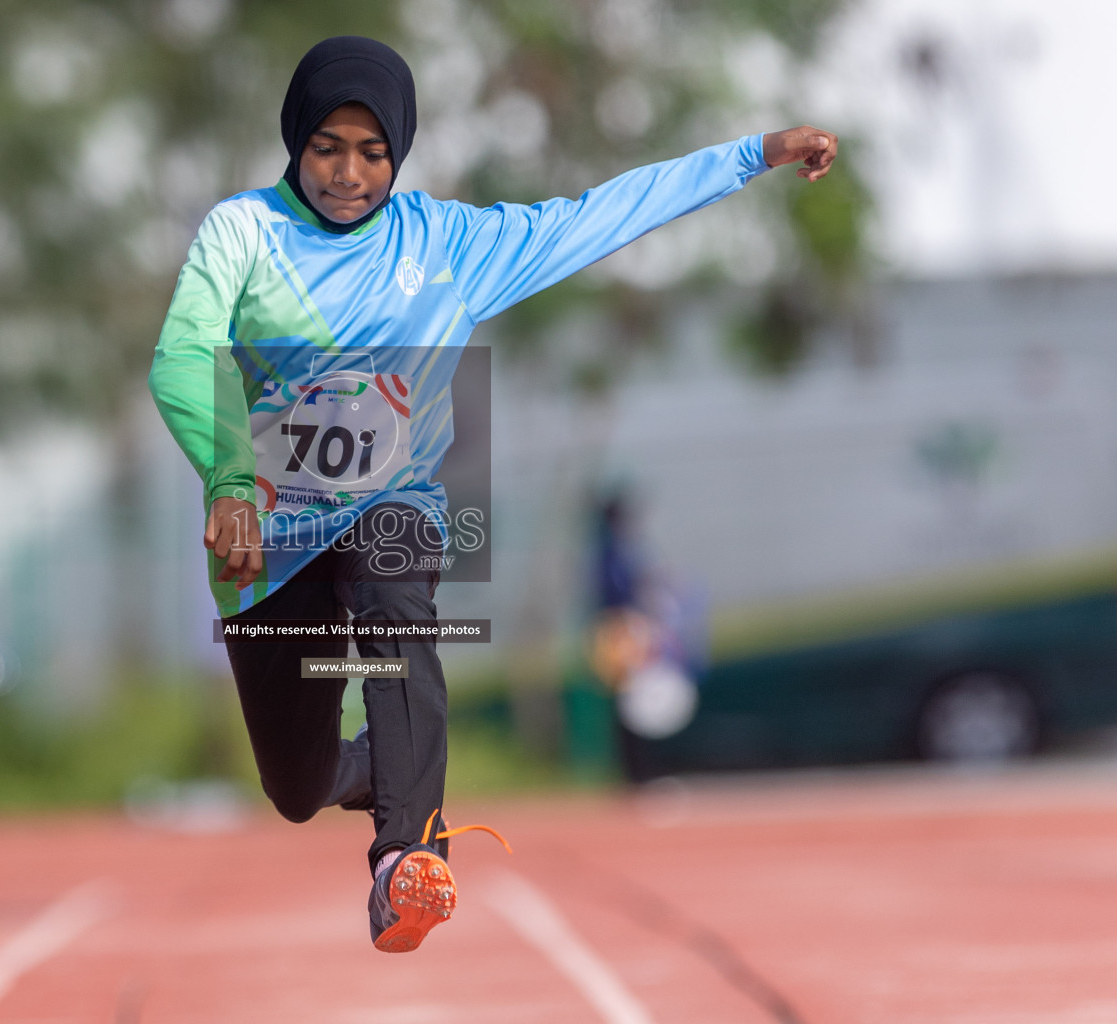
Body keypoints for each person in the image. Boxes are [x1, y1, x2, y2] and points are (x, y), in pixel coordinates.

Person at [148, 35, 838, 953]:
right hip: (269, 535)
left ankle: (405, 860)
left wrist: (751, 154)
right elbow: (185, 351)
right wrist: (232, 480)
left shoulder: (448, 245)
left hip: (393, 505)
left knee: (397, 614)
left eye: (373, 152)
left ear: (399, 152)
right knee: (296, 786)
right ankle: (377, 779)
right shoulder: (244, 231)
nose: (348, 174)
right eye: (326, 147)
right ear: (293, 141)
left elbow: (604, 214)